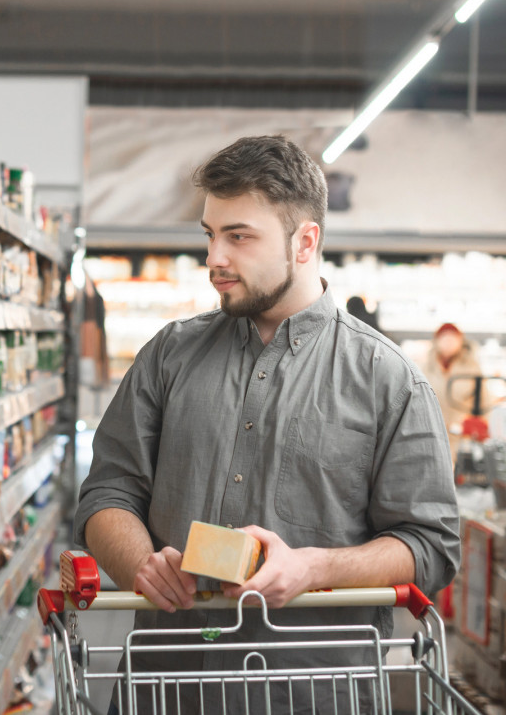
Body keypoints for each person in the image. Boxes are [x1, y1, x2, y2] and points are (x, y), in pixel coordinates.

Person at [74, 135, 460, 714]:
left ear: (305, 242)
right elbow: (106, 494)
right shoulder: (168, 357)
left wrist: (314, 568)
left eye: (239, 236)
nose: (214, 260)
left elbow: (430, 546)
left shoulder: (390, 380)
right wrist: (140, 564)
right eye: (210, 234)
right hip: (166, 684)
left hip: (315, 693)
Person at [420, 322, 483, 455]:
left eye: (453, 337)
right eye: (444, 337)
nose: (448, 342)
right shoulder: (426, 368)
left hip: (463, 439)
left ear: (461, 341)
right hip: (432, 434)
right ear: (436, 340)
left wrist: (478, 428)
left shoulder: (472, 368)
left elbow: (484, 401)